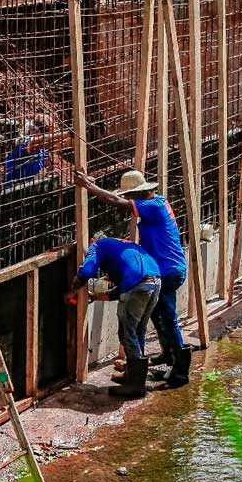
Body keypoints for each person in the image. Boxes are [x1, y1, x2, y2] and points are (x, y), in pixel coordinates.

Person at [74, 169, 192, 388]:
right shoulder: (158, 201)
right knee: (157, 316)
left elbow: (117, 202)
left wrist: (89, 187)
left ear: (138, 194)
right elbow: (118, 199)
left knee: (167, 319)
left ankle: (179, 372)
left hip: (166, 270)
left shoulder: (152, 206)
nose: (128, 200)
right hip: (163, 269)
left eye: (130, 196)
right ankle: (168, 358)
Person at [67, 234, 162, 398]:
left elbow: (87, 270)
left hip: (138, 285)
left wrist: (72, 291)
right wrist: (95, 296)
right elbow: (121, 290)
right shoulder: (122, 248)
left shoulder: (98, 245)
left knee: (127, 333)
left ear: (91, 241)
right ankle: (133, 377)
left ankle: (135, 385)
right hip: (155, 282)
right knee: (138, 331)